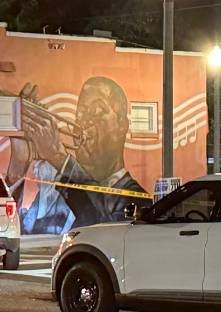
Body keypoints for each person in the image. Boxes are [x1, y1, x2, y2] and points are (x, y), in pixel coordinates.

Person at [20, 76, 146, 233]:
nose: (83, 122)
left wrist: (59, 157)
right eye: (79, 114)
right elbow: (23, 231)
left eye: (97, 111)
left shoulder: (137, 200)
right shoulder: (61, 191)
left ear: (122, 124)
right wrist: (19, 162)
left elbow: (103, 230)